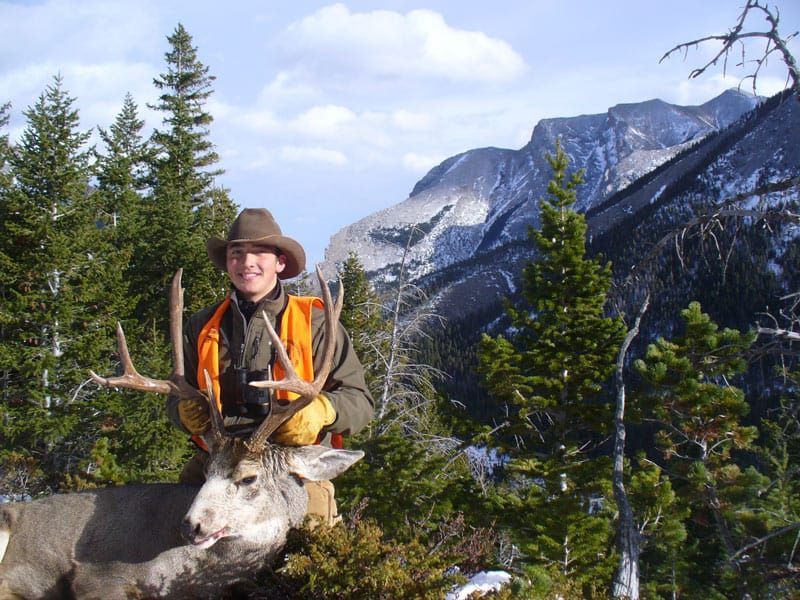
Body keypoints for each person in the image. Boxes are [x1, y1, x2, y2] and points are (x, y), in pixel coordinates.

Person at [166, 208, 374, 526]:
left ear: (279, 262)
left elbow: (360, 402)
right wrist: (183, 411)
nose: (247, 262)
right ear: (227, 264)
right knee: (174, 527)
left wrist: (322, 411)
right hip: (220, 461)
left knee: (310, 535)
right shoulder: (202, 325)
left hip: (287, 464)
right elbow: (174, 396)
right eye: (237, 253)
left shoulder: (317, 323)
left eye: (259, 252)